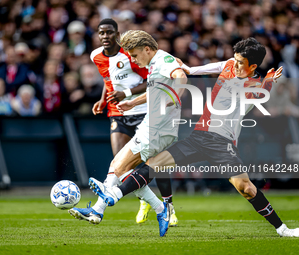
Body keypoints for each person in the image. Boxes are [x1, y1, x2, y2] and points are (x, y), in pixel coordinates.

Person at [90, 38, 299, 237]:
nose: (234, 65)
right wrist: (185, 68)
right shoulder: (228, 65)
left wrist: (268, 84)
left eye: (240, 63)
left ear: (253, 67)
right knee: (154, 164)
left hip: (222, 144)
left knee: (247, 189)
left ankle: (283, 229)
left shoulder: (254, 87)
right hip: (199, 137)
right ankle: (114, 195)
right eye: (234, 60)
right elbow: (205, 68)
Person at [71, 28, 187, 237]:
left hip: (158, 128)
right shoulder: (154, 64)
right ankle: (99, 210)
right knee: (117, 166)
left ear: (146, 48)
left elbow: (180, 77)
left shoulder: (163, 60)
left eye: (134, 55)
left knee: (120, 169)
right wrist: (132, 102)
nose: (132, 59)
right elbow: (155, 91)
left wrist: (175, 97)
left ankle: (114, 198)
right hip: (154, 126)